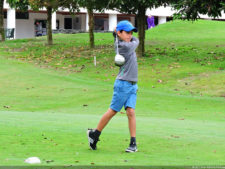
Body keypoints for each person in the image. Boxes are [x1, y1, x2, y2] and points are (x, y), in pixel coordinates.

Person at [87, 20, 139, 153]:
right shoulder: (125, 47)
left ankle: (133, 143)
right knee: (113, 111)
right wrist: (116, 33)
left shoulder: (122, 42)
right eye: (127, 32)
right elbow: (137, 41)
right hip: (123, 84)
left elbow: (131, 38)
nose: (130, 35)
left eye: (131, 32)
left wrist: (116, 33)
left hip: (133, 85)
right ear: (119, 33)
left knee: (131, 112)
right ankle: (95, 134)